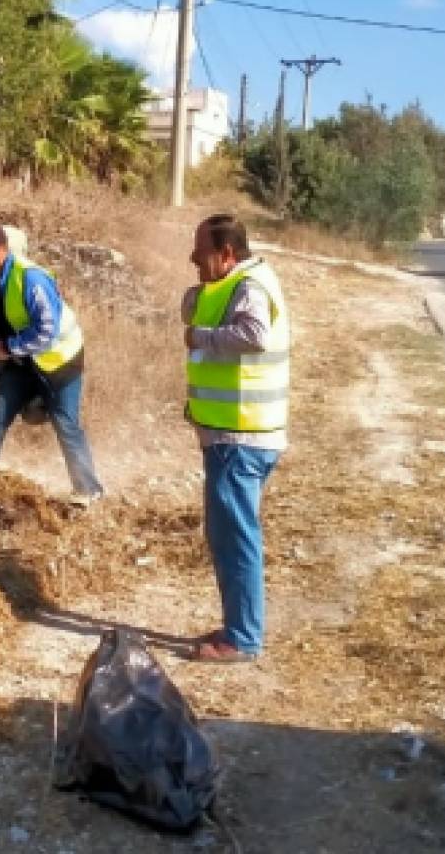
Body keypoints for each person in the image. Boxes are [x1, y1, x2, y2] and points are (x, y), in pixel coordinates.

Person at [181, 214, 289, 663]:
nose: (193, 258)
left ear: (226, 253)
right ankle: (238, 626)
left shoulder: (248, 286)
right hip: (237, 434)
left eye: (201, 251)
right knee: (228, 533)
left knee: (236, 537)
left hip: (241, 436)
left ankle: (242, 638)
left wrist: (200, 337)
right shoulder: (235, 282)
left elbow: (254, 335)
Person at [0, 222, 106, 504]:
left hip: (60, 362)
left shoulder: (31, 278)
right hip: (21, 362)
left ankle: (89, 491)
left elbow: (47, 330)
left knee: (65, 424)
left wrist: (8, 347)